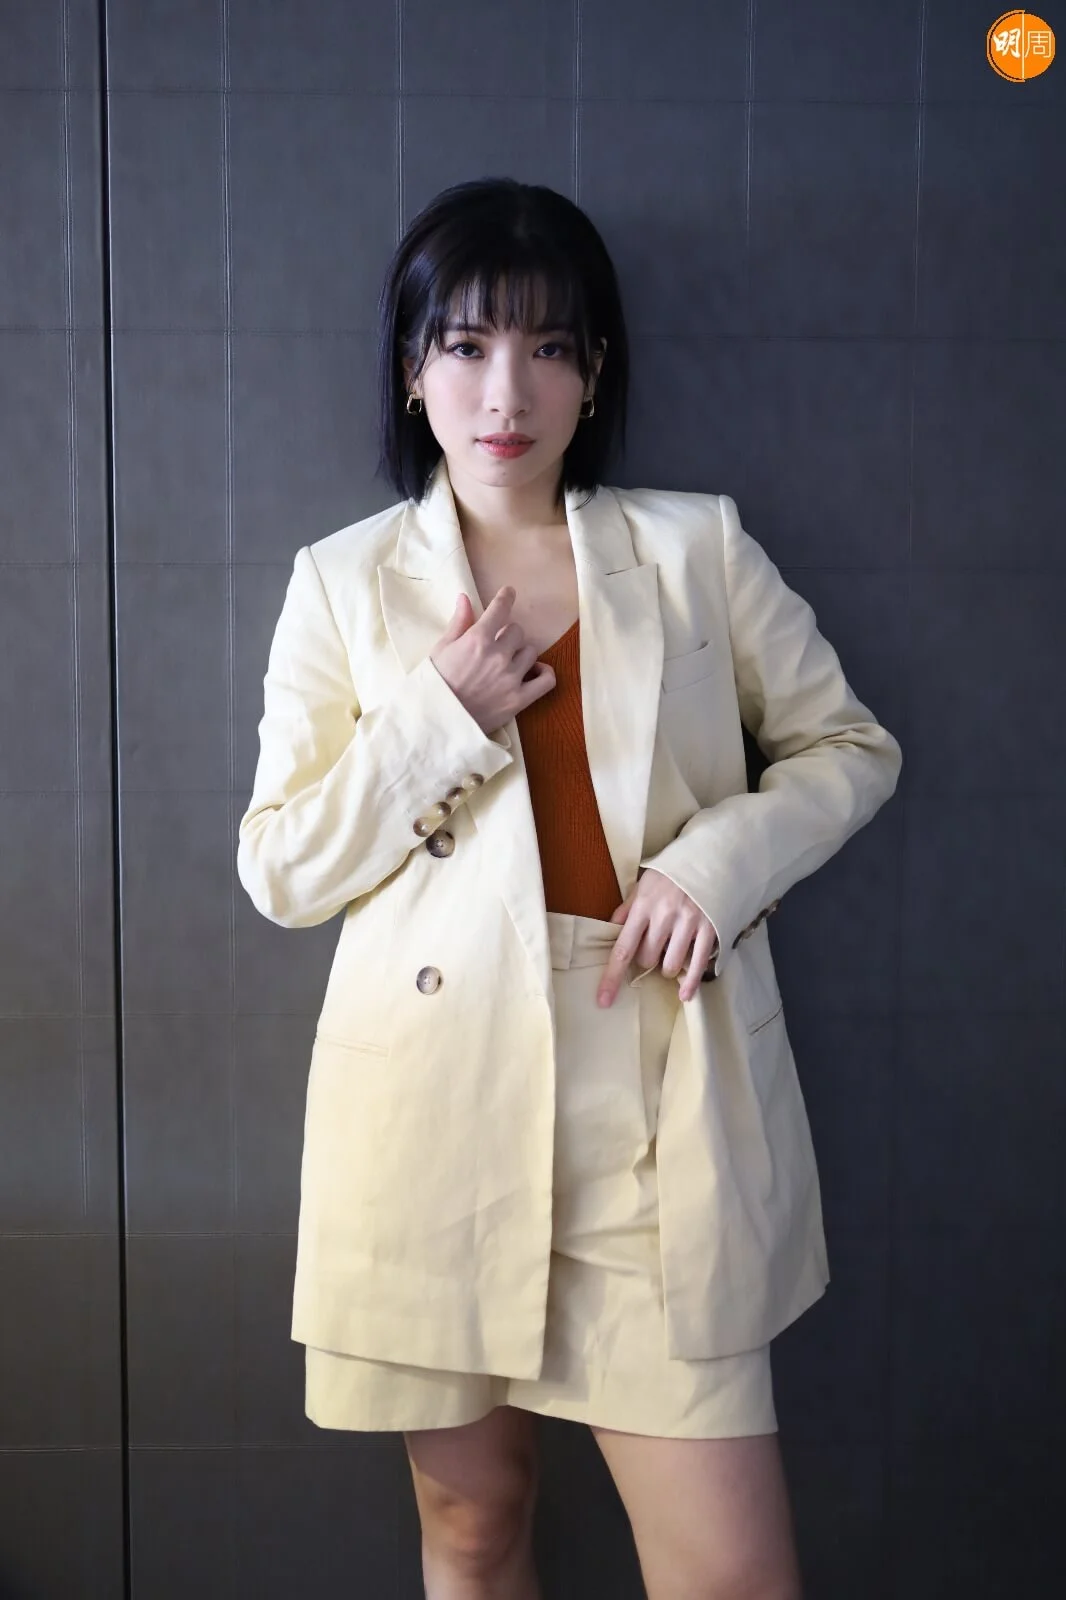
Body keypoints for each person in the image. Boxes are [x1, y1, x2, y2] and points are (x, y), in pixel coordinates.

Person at [237, 177, 903, 1600]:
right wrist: (439, 713)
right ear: (412, 368)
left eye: (549, 346)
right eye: (467, 344)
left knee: (731, 1574)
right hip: (433, 1103)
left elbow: (850, 749)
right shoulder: (342, 584)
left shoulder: (694, 548)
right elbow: (282, 869)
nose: (507, 391)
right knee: (473, 1529)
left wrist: (716, 864)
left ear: (593, 372)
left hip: (652, 1092)